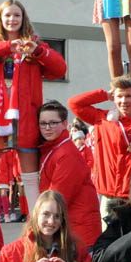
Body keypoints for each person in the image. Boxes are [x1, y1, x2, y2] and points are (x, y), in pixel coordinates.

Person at [0, 0, 67, 225]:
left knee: (30, 177)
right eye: (7, 16)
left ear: (23, 19)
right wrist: (5, 47)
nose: (12, 20)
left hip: (26, 117)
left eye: (16, 15)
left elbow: (59, 69)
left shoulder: (34, 45)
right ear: (0, 20)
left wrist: (39, 52)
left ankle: (38, 223)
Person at [69, 76, 131, 221]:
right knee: (108, 241)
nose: (124, 101)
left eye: (129, 96)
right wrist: (104, 95)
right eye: (119, 96)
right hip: (108, 194)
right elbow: (74, 103)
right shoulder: (102, 119)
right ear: (113, 98)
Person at [36, 101, 101, 248]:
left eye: (53, 123)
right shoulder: (53, 148)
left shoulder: (66, 154)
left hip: (79, 234)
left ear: (65, 123)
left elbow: (57, 198)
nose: (47, 128)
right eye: (43, 123)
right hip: (70, 229)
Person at [0, 149, 16, 224]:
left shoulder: (7, 152)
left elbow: (10, 166)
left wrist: (11, 177)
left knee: (3, 194)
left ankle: (6, 214)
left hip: (4, 177)